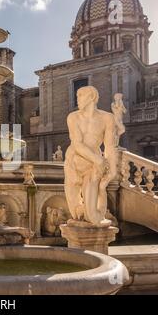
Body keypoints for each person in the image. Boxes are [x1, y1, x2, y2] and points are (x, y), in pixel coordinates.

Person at [64, 86, 117, 227]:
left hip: (93, 166)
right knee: (76, 213)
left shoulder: (108, 118)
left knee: (92, 216)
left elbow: (110, 147)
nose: (78, 99)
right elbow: (77, 144)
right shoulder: (73, 117)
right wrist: (99, 160)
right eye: (77, 96)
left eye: (80, 95)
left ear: (92, 97)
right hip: (74, 162)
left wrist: (112, 169)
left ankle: (99, 194)